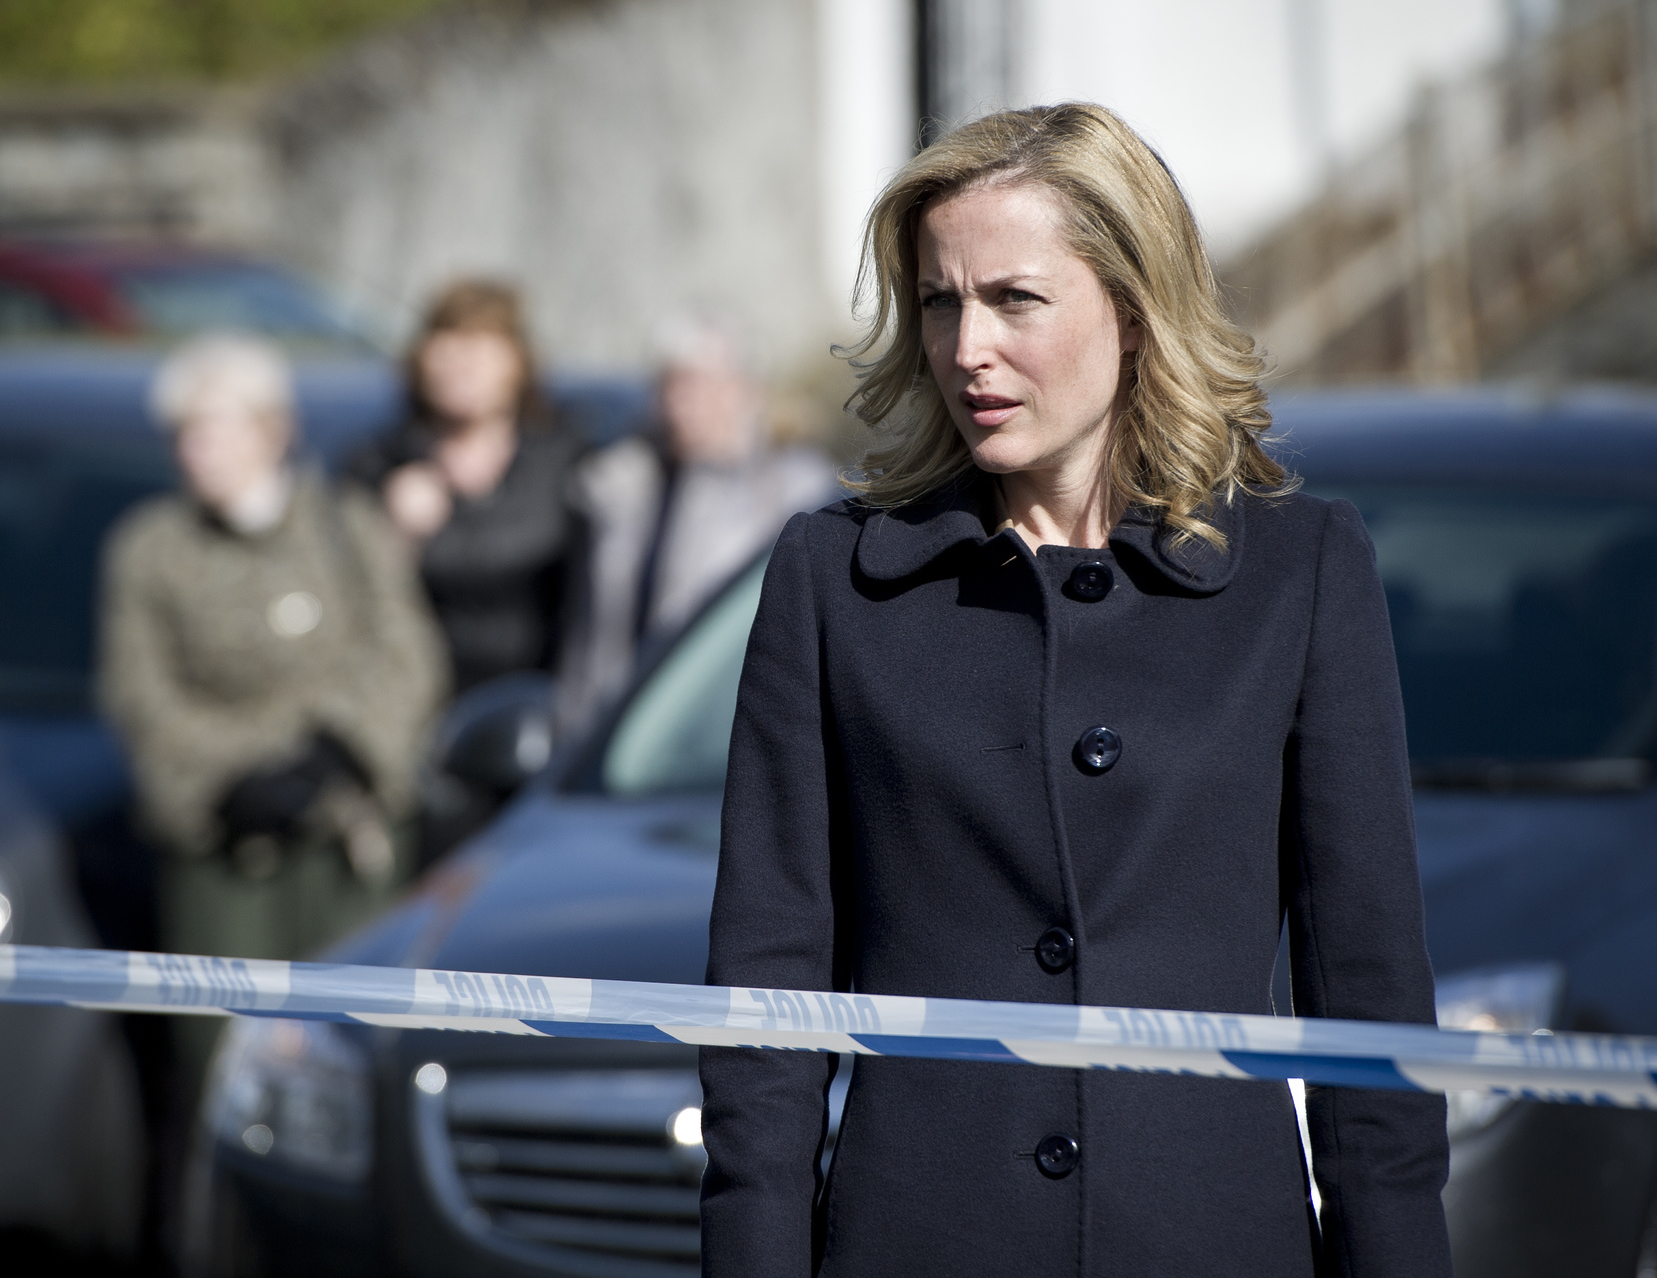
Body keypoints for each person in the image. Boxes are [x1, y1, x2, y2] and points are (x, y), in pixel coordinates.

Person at [699, 105, 1450, 1277]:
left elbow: (1369, 994)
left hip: (1212, 1244)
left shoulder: (1300, 573)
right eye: (939, 302)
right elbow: (766, 998)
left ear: (1133, 310)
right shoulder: (831, 579)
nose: (968, 348)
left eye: (1015, 299)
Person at [99, 333, 449, 972]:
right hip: (226, 845)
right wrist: (234, 778)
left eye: (215, 431)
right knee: (224, 1020)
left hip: (345, 833)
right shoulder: (152, 549)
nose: (196, 452)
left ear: (272, 432)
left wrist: (337, 752)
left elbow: (407, 655)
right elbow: (140, 693)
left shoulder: (344, 526)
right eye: (184, 434)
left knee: (347, 1014)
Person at [557, 319, 835, 733]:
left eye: (702, 386)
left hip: (722, 733)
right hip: (612, 727)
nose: (681, 403)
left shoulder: (790, 490)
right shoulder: (622, 483)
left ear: (746, 391)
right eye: (671, 385)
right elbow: (591, 632)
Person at [347, 281, 584, 693]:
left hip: (533, 695)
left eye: (480, 347)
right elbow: (348, 603)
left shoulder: (566, 462)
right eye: (447, 346)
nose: (462, 365)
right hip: (415, 696)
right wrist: (394, 536)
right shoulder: (379, 466)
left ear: (518, 361)